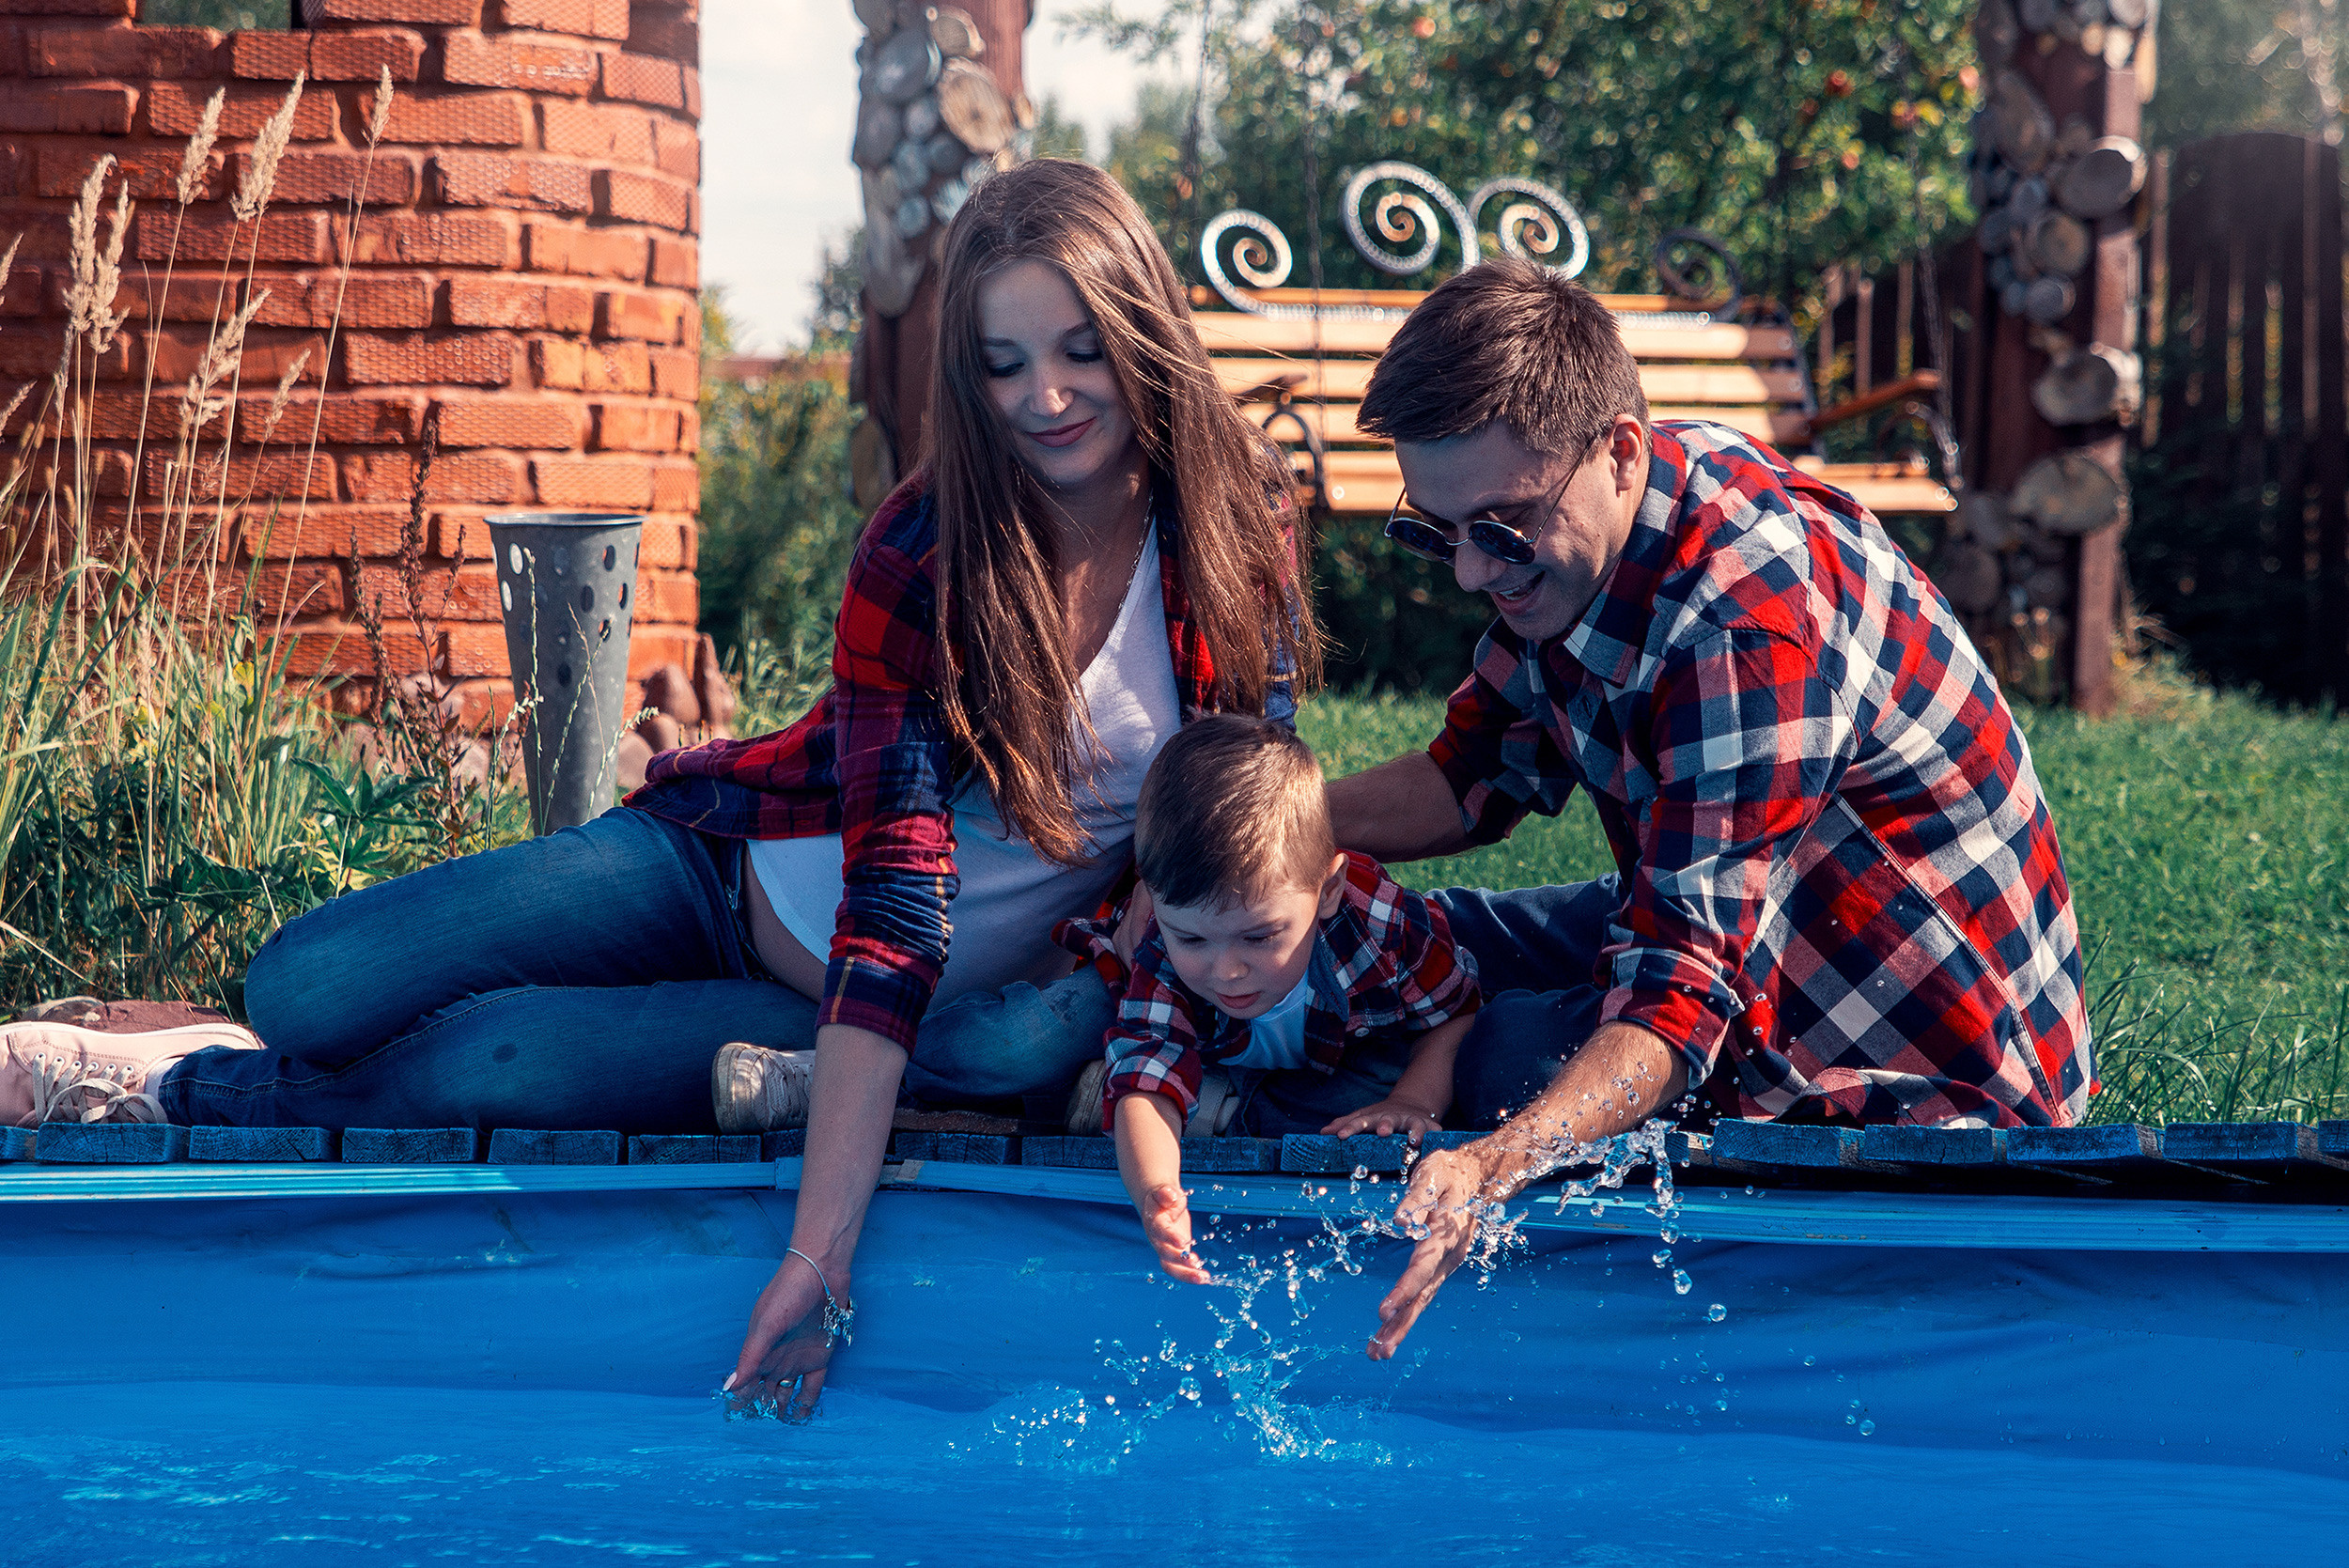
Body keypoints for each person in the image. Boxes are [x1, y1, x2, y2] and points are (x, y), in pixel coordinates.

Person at [0, 159, 1318, 1419]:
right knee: (304, 982)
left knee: (492, 1060)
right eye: (1006, 362)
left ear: (1142, 319)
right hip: (739, 871)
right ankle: (224, 1037)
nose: (1048, 398)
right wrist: (824, 1246)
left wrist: (817, 1263)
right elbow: (894, 914)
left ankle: (184, 1093)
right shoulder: (926, 547)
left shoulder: (1231, 527)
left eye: (1082, 347)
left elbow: (1227, 820)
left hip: (878, 1012)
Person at [1323, 259, 2091, 1360]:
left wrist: (1494, 1159)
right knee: (1412, 940)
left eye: (1497, 528)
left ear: (1619, 453)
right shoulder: (1605, 528)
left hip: (1907, 1051)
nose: (1464, 574)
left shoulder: (1742, 629)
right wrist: (1269, 825)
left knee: (1476, 1062)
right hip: (1750, 922)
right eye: (1435, 532)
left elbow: (1680, 1010)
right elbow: (1471, 777)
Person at [1053, 715, 1480, 1282]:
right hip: (1135, 1001)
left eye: (1260, 936)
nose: (1226, 970)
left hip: (1335, 1057)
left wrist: (1416, 1101)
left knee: (1379, 1103)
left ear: (1326, 891)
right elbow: (1146, 1080)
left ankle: (1205, 1103)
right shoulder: (1163, 950)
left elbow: (1456, 1011)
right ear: (1153, 904)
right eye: (1193, 937)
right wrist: (1158, 1190)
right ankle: (930, 1060)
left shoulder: (1377, 927)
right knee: (1018, 1045)